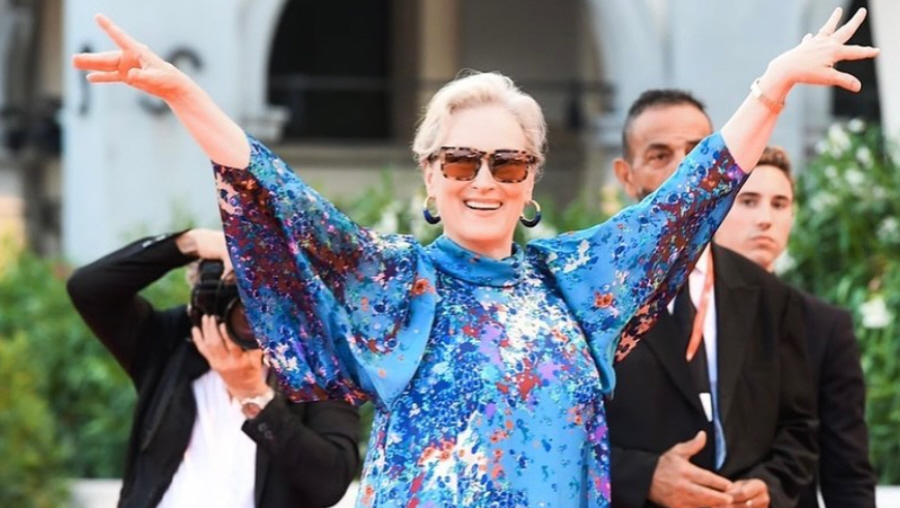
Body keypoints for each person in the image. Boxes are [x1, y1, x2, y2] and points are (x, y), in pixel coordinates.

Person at [72, 8, 877, 507]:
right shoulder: (396, 281)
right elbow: (277, 194)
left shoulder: (577, 281)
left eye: (507, 163)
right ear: (431, 175)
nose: (484, 180)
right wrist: (186, 97)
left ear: (531, 180)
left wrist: (770, 91)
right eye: (460, 162)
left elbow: (686, 202)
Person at [609, 89, 817, 508]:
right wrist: (643, 477)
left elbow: (799, 428)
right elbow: (557, 431)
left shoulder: (769, 296)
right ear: (626, 176)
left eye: (696, 152)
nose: (683, 169)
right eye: (660, 155)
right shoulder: (589, 294)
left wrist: (769, 485)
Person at [67, 228, 360, 508]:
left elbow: (330, 482)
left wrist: (255, 395)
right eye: (231, 292)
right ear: (199, 296)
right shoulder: (170, 341)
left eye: (261, 298)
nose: (248, 315)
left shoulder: (317, 364)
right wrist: (188, 243)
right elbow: (88, 289)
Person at [714, 146, 877, 508]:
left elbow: (847, 471)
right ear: (716, 209)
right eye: (748, 201)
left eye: (780, 204)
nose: (765, 219)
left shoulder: (824, 326)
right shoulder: (674, 311)